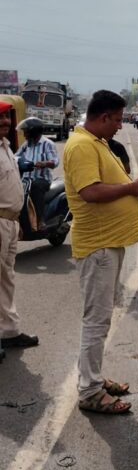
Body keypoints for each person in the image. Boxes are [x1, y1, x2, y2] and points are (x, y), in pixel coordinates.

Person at [63, 90, 138, 415]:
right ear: (103, 117)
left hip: (107, 244)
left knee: (100, 318)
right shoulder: (83, 145)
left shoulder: (95, 142)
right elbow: (90, 191)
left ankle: (93, 378)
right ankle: (90, 391)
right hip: (97, 246)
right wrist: (131, 188)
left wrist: (130, 183)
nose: (119, 125)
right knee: (96, 321)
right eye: (116, 120)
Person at [0, 101, 39, 351]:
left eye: (5, 117)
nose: (4, 122)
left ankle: (8, 331)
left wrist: (17, 222)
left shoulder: (5, 147)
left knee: (6, 279)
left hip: (9, 223)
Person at [15, 117, 59, 229]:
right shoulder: (26, 144)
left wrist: (45, 163)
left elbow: (55, 161)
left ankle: (40, 220)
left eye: (26, 132)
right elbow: (16, 156)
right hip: (26, 179)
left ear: (33, 132)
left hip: (42, 179)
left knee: (36, 187)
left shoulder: (47, 144)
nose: (24, 134)